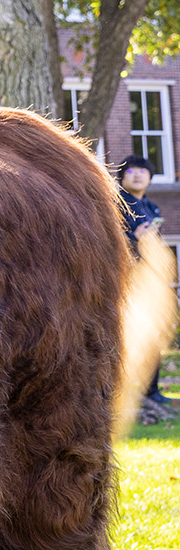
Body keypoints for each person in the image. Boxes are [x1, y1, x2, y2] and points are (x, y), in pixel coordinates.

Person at [118, 155, 171, 405]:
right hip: (125, 282)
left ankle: (152, 391)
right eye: (131, 171)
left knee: (154, 334)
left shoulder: (152, 208)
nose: (137, 175)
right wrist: (132, 237)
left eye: (142, 171)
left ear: (150, 177)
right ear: (122, 176)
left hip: (149, 281)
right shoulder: (117, 205)